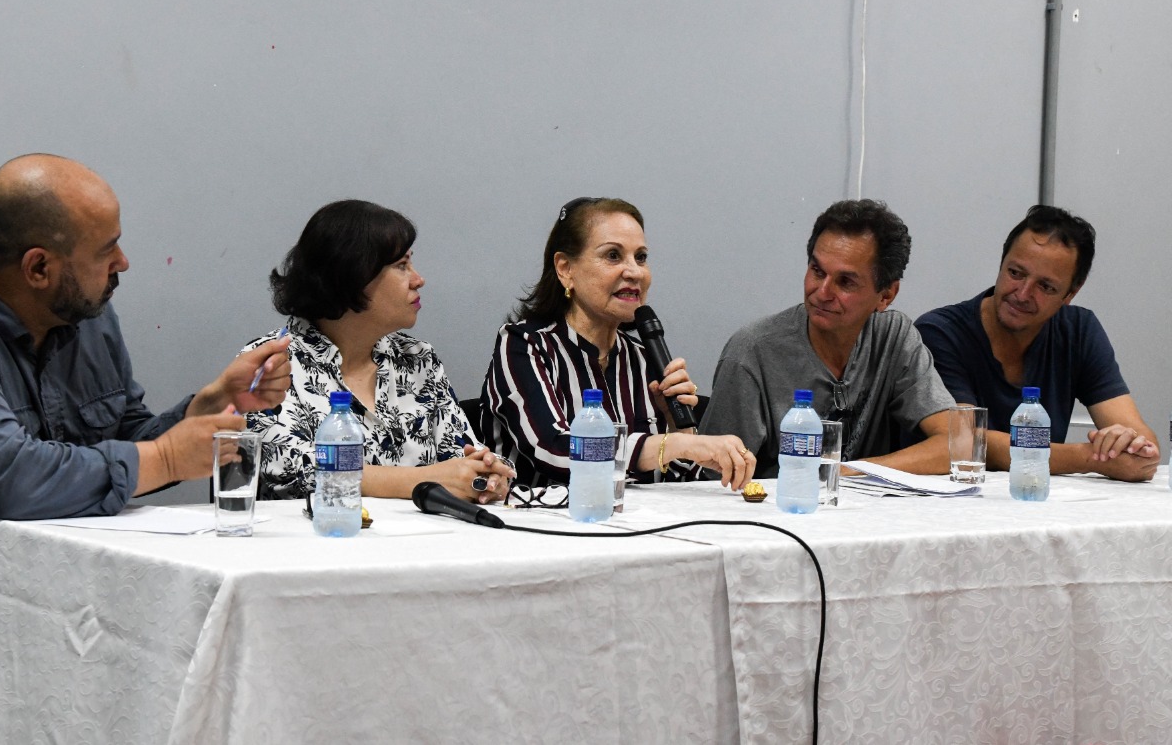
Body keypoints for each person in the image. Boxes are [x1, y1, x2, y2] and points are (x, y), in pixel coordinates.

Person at [0, 154, 291, 744]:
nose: (123, 262)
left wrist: (202, 409)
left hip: (57, 605)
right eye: (107, 249)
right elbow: (7, 479)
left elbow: (121, 443)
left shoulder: (85, 313)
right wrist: (165, 458)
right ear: (39, 267)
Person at [244, 200, 514, 504]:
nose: (418, 279)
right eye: (401, 266)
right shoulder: (271, 361)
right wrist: (424, 480)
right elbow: (290, 470)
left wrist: (487, 474)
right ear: (353, 274)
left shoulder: (417, 360)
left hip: (423, 534)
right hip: (317, 532)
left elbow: (462, 456)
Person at [479, 197, 755, 492]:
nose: (635, 272)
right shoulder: (524, 345)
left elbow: (673, 486)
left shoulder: (644, 358)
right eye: (613, 255)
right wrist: (673, 444)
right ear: (565, 268)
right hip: (543, 517)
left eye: (641, 257)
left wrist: (679, 427)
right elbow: (555, 451)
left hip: (634, 518)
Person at [700, 199, 953, 477]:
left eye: (845, 282)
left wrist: (844, 473)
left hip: (859, 502)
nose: (822, 292)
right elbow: (712, 482)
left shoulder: (893, 338)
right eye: (817, 271)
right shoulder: (752, 353)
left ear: (886, 295)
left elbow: (956, 444)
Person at [915, 205, 1159, 481]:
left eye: (1046, 287)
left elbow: (1142, 441)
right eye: (1016, 273)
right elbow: (967, 441)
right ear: (1001, 263)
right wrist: (1092, 457)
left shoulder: (1079, 330)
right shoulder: (941, 332)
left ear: (1071, 293)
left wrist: (1133, 447)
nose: (1022, 294)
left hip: (1034, 495)